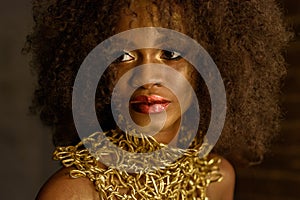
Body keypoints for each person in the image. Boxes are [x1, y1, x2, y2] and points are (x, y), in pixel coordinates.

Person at [24, 0, 291, 199]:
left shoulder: (216, 178)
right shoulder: (73, 193)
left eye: (171, 53)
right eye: (122, 56)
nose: (147, 77)